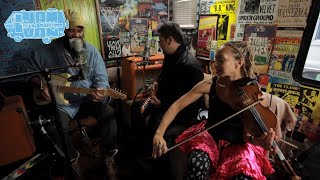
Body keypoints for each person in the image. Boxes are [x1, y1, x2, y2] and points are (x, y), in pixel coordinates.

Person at [152, 41, 297, 180]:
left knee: (244, 176)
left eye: (221, 60)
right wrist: (159, 134)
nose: (216, 65)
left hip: (239, 145)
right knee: (197, 163)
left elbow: (256, 135)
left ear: (239, 62)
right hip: (211, 137)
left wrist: (262, 142)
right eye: (216, 60)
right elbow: (177, 106)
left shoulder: (253, 93)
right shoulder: (211, 84)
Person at [26, 9, 118, 178]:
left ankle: (109, 156)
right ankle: (73, 160)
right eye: (70, 30)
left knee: (109, 113)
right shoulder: (45, 51)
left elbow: (101, 78)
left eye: (79, 30)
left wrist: (100, 91)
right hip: (63, 103)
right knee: (53, 127)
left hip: (86, 98)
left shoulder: (91, 51)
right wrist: (41, 84)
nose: (76, 34)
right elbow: (30, 72)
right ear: (63, 30)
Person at [131, 21, 204, 179]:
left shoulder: (191, 66)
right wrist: (157, 83)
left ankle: (152, 167)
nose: (159, 44)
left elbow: (189, 104)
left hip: (183, 115)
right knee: (136, 108)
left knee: (156, 123)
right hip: (164, 103)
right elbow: (165, 78)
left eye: (161, 40)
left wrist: (162, 103)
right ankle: (137, 153)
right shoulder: (171, 56)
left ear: (170, 40)